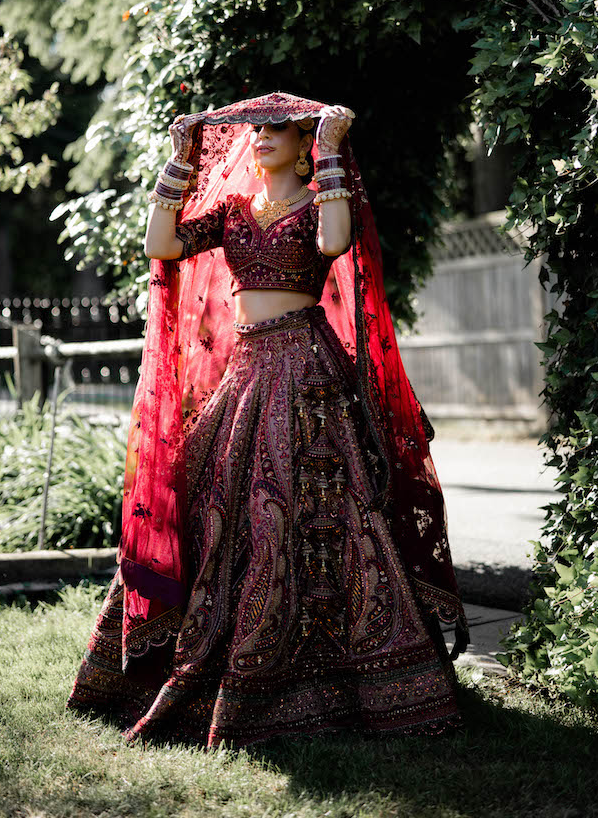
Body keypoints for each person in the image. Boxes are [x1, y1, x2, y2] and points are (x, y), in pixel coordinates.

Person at [67, 91, 469, 749]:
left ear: (303, 144)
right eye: (256, 129)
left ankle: (347, 677)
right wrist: (179, 161)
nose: (261, 136)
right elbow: (161, 244)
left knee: (317, 511)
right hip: (248, 369)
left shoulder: (318, 202)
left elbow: (336, 242)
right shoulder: (232, 210)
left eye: (278, 128)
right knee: (213, 500)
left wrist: (332, 150)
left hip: (306, 369)